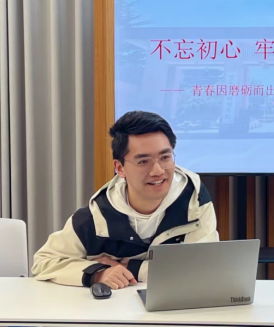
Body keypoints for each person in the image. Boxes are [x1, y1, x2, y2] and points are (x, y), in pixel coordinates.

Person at [32, 111, 218, 289]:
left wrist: (132, 269)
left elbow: (205, 267)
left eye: (165, 157)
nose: (158, 171)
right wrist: (98, 273)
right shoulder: (97, 216)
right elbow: (44, 262)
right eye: (143, 161)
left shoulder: (194, 199)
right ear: (120, 168)